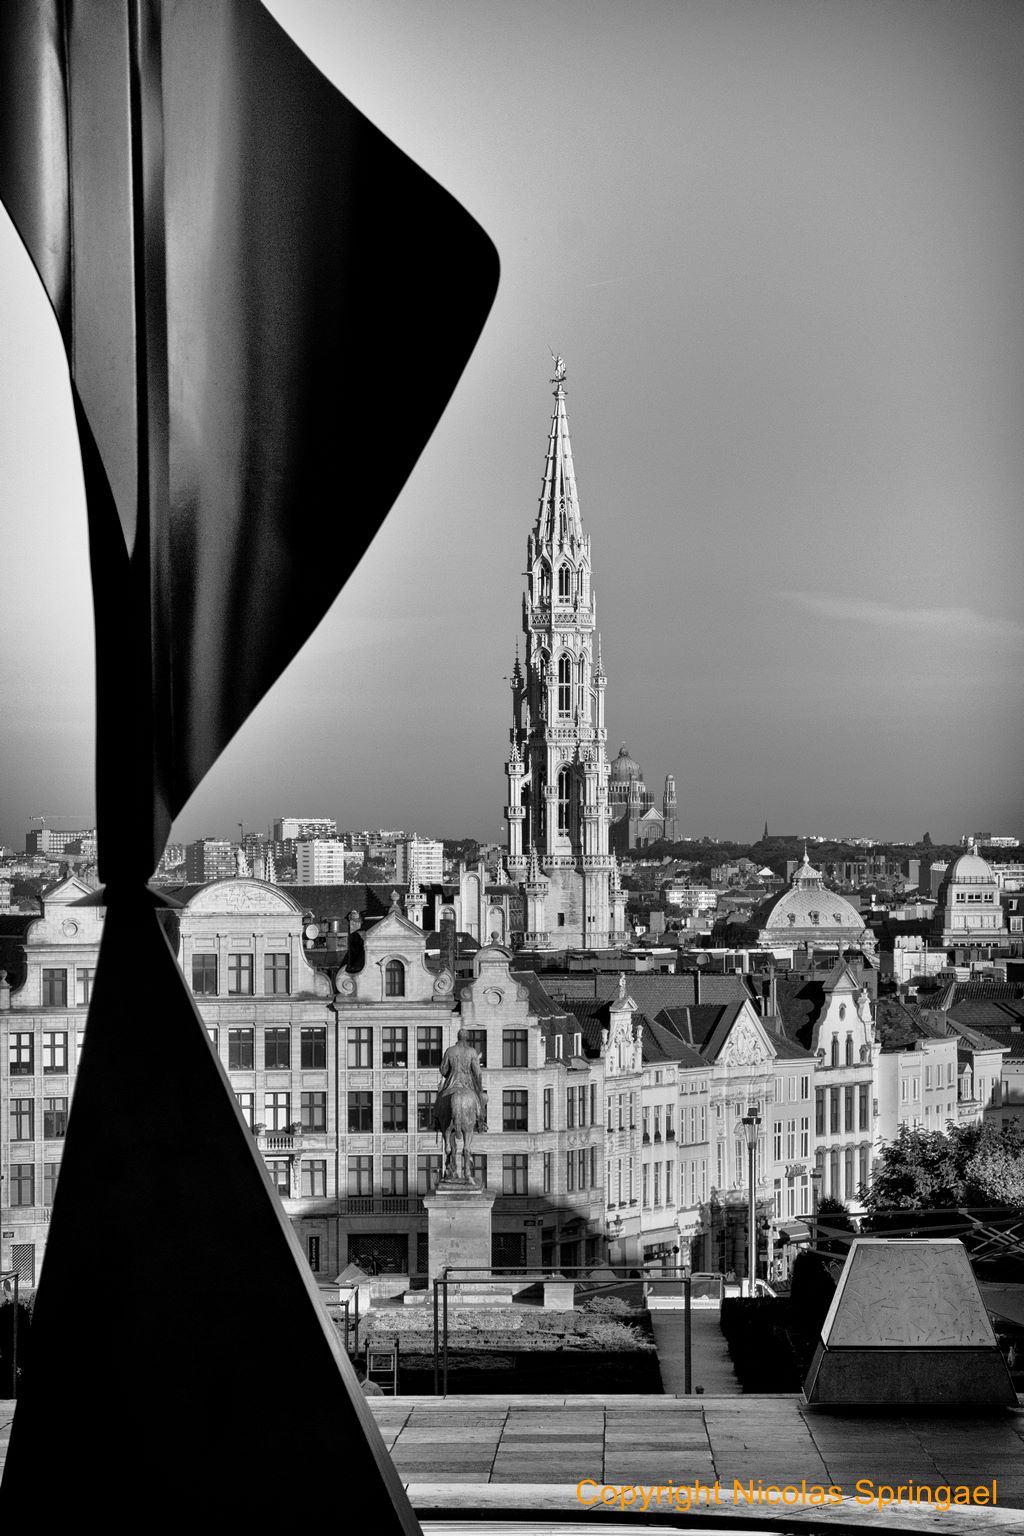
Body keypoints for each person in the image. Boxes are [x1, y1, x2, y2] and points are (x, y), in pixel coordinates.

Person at [432, 1028, 487, 1132]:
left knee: (440, 1097)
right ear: (467, 1038)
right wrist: (479, 1087)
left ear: (458, 1037)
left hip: (451, 1083)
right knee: (481, 1099)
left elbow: (443, 1070)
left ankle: (435, 1120)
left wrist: (449, 1073)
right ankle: (481, 1122)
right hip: (467, 1084)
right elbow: (478, 1073)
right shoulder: (472, 1051)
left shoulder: (450, 1050)